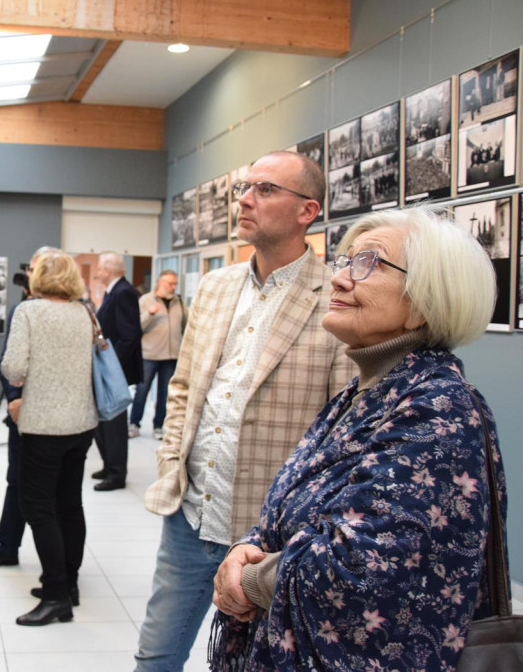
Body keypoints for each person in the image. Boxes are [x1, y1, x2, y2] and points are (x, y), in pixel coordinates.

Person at [210, 207, 507, 671]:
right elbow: (298, 503)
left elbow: (358, 565)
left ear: (426, 300)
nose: (341, 279)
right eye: (345, 261)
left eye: (369, 263)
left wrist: (246, 580)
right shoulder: (367, 389)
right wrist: (243, 547)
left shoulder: (437, 407)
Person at [135, 151, 354, 671]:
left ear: (308, 211)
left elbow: (342, 430)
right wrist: (172, 462)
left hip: (271, 538)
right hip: (191, 514)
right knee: (156, 654)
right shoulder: (215, 288)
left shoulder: (336, 298)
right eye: (244, 188)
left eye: (265, 189)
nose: (246, 199)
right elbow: (185, 385)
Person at [1, 251, 98, 626]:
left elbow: (12, 366)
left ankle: (56, 594)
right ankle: (69, 583)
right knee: (70, 504)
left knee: (38, 507)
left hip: (43, 426)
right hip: (82, 423)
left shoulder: (29, 312)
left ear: (38, 277)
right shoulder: (84, 312)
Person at [0, 246, 57, 571]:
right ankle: (7, 547)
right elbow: (8, 364)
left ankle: (59, 571)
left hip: (58, 423)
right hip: (23, 415)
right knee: (16, 482)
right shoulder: (23, 310)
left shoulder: (74, 313)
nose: (30, 275)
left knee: (54, 496)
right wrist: (15, 398)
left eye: (35, 269)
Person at [91, 252, 143, 491]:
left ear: (108, 270)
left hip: (115, 370)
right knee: (104, 421)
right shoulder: (114, 290)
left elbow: (129, 335)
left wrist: (111, 364)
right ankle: (108, 464)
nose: (96, 272)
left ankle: (116, 473)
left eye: (100, 268)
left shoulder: (124, 292)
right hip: (110, 368)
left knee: (114, 424)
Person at [128, 270, 186, 440]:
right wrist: (149, 314)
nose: (172, 287)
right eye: (169, 283)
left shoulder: (179, 302)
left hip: (171, 355)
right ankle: (134, 424)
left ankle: (158, 426)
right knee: (142, 391)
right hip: (150, 354)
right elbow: (135, 327)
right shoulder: (145, 301)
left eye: (174, 283)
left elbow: (186, 326)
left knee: (164, 393)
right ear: (160, 282)